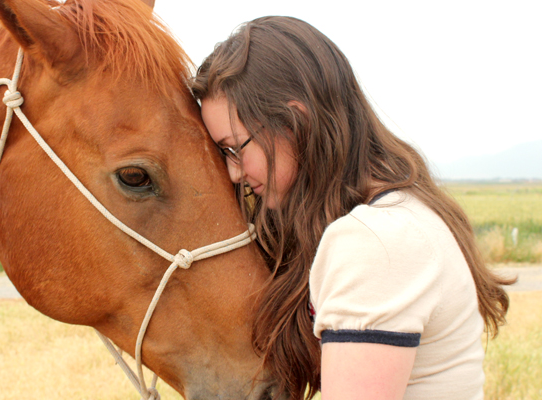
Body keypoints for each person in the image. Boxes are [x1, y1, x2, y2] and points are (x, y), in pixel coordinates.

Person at [191, 16, 513, 400]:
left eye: (234, 147)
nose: (232, 172)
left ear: (296, 121)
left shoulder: (375, 241)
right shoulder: (400, 214)